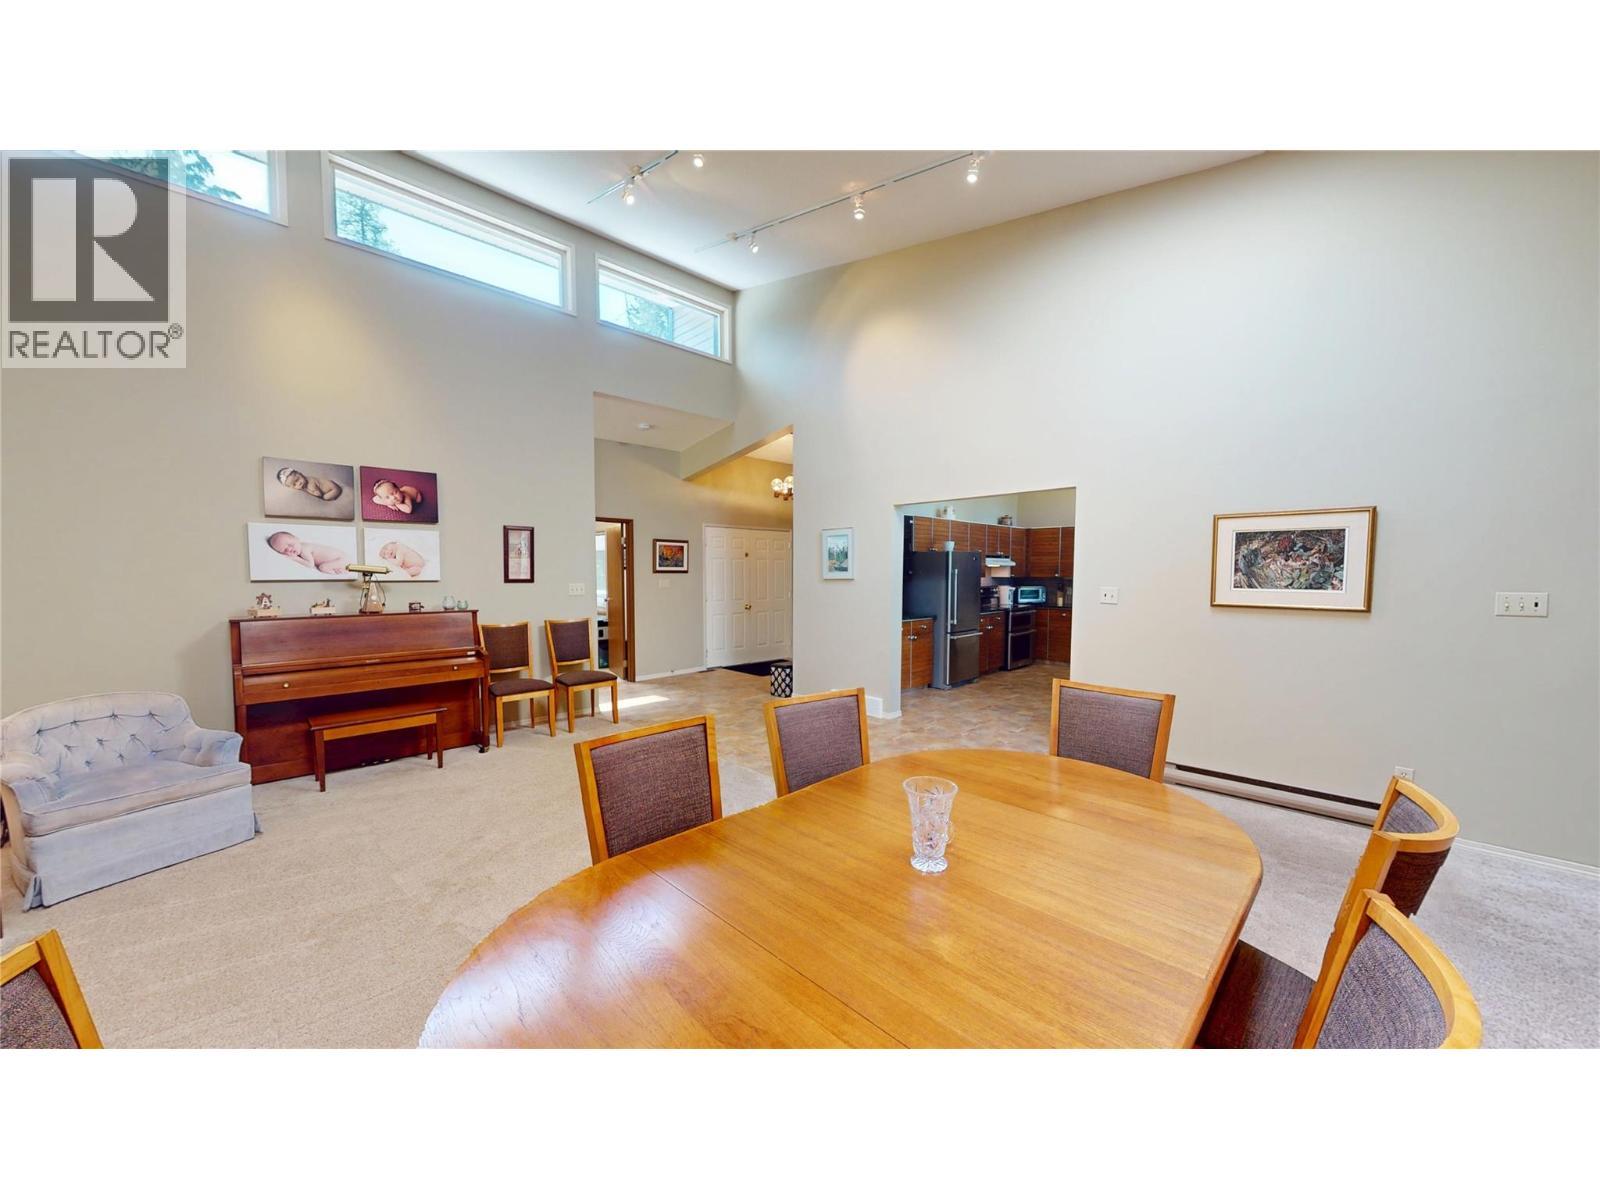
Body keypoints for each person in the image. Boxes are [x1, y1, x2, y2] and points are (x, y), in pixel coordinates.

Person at [266, 531, 350, 575]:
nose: (289, 550)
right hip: (339, 558)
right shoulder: (301, 547)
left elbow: (310, 564)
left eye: (290, 545)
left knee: (323, 568)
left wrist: (295, 558)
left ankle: (341, 572)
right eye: (285, 550)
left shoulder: (304, 549)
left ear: (297, 539)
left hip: (340, 559)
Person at [276, 465, 343, 502]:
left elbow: (319, 494)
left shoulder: (310, 483)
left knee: (325, 497)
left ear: (300, 473)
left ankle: (336, 495)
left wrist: (313, 492)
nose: (299, 483)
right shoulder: (304, 483)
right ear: (291, 487)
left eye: (298, 479)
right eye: (294, 484)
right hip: (332, 486)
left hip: (333, 489)